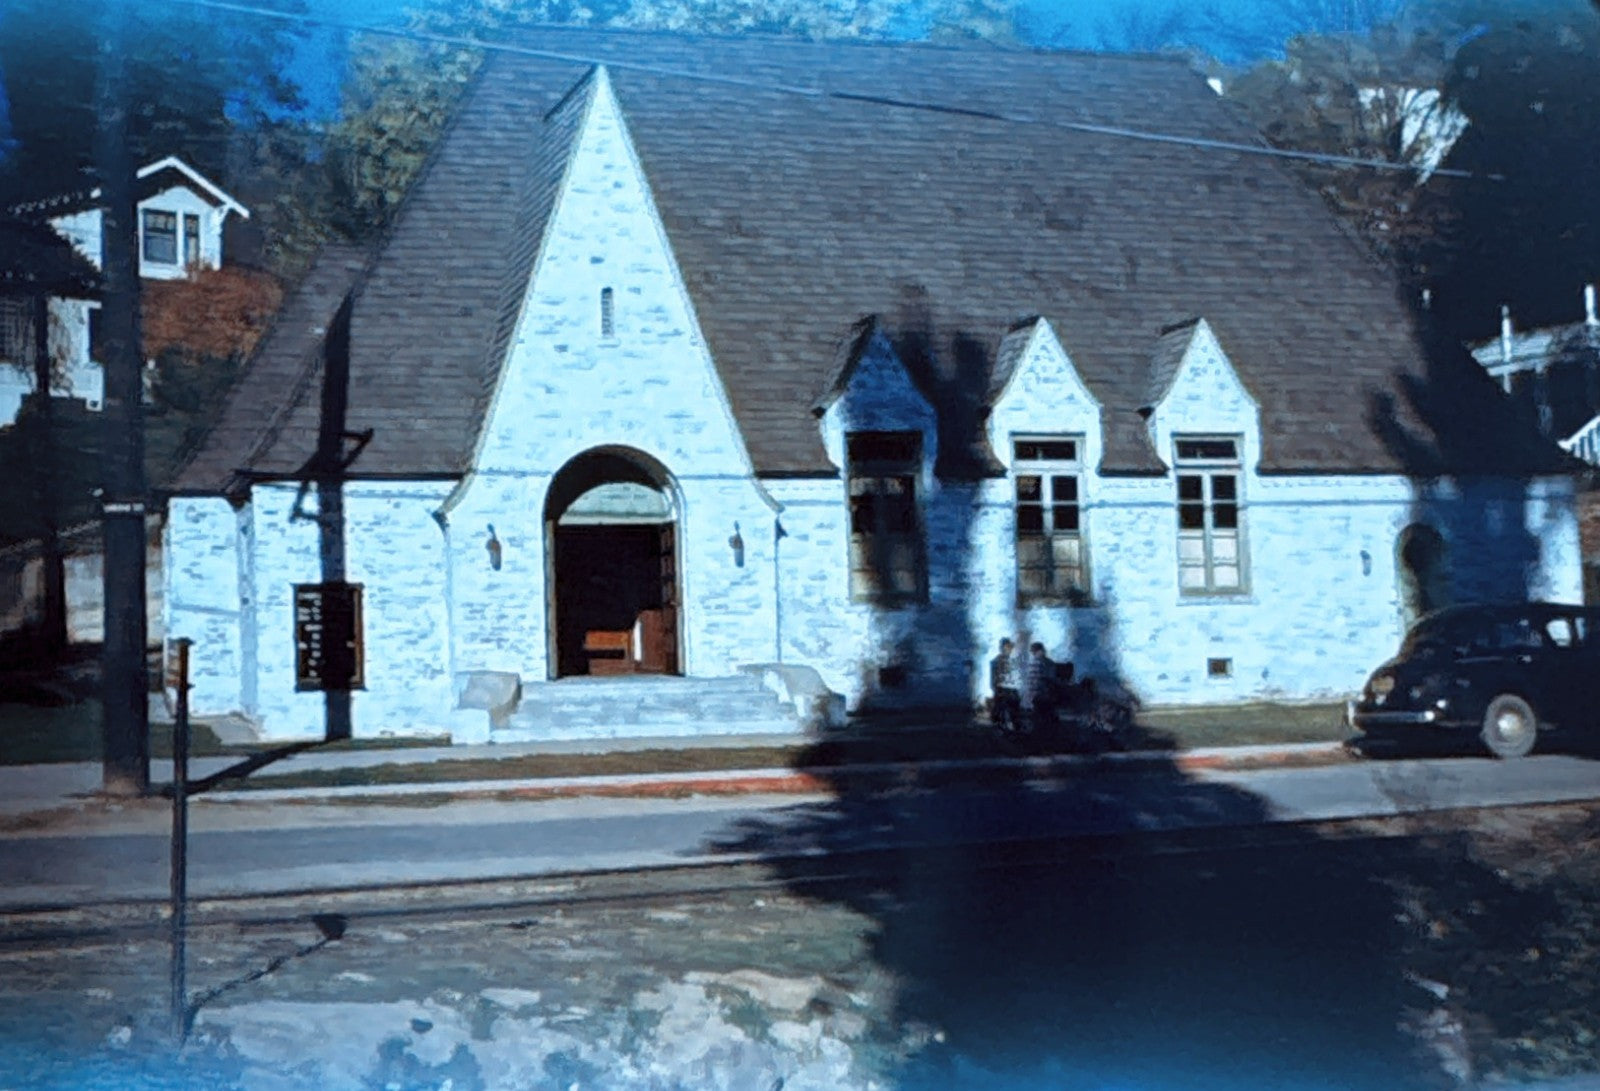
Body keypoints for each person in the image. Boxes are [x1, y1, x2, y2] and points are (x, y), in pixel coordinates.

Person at [1022, 641, 1058, 735]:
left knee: (1038, 717)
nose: (1034, 654)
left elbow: (1030, 681)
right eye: (1034, 652)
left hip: (1034, 696)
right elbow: (1051, 680)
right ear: (1041, 651)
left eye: (1034, 652)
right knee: (1045, 717)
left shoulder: (1031, 663)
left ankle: (1039, 734)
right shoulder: (1048, 663)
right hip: (1043, 695)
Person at [989, 638, 1022, 733]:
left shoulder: (1012, 660)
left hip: (1009, 690)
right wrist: (995, 688)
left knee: (1013, 711)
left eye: (1009, 647)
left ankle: (1012, 728)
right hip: (1002, 689)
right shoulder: (997, 661)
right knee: (1000, 712)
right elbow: (994, 676)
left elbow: (1015, 676)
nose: (1009, 649)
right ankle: (1003, 728)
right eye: (1007, 647)